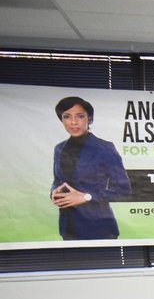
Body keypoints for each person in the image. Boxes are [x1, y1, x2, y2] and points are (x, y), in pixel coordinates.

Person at [50, 95, 131, 240]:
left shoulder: (104, 148)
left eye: (80, 116)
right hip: (68, 226)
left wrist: (87, 197)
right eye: (67, 116)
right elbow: (57, 180)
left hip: (99, 227)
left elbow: (123, 189)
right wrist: (54, 193)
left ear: (89, 119)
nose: (73, 122)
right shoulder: (59, 149)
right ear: (61, 120)